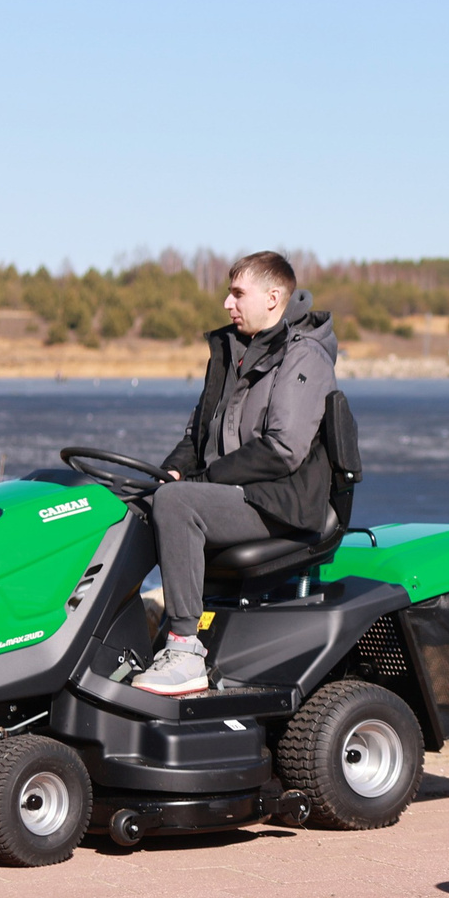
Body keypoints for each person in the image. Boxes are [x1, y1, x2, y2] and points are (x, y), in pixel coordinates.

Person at [134, 251, 342, 695]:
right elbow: (198, 435)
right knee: (135, 501)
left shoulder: (304, 357)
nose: (227, 304)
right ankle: (109, 641)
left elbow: (284, 450)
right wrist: (172, 471)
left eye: (237, 293)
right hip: (235, 494)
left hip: (281, 502)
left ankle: (185, 651)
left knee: (177, 503)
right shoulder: (231, 353)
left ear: (272, 298)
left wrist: (199, 484)